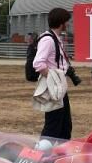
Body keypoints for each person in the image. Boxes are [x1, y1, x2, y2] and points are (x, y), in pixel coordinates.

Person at [33, 8, 77, 139]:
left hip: (59, 87)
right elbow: (38, 63)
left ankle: (60, 155)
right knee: (53, 126)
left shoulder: (55, 38)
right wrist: (54, 79)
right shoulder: (48, 40)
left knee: (64, 126)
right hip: (55, 88)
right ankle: (42, 156)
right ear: (61, 22)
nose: (68, 24)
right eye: (67, 21)